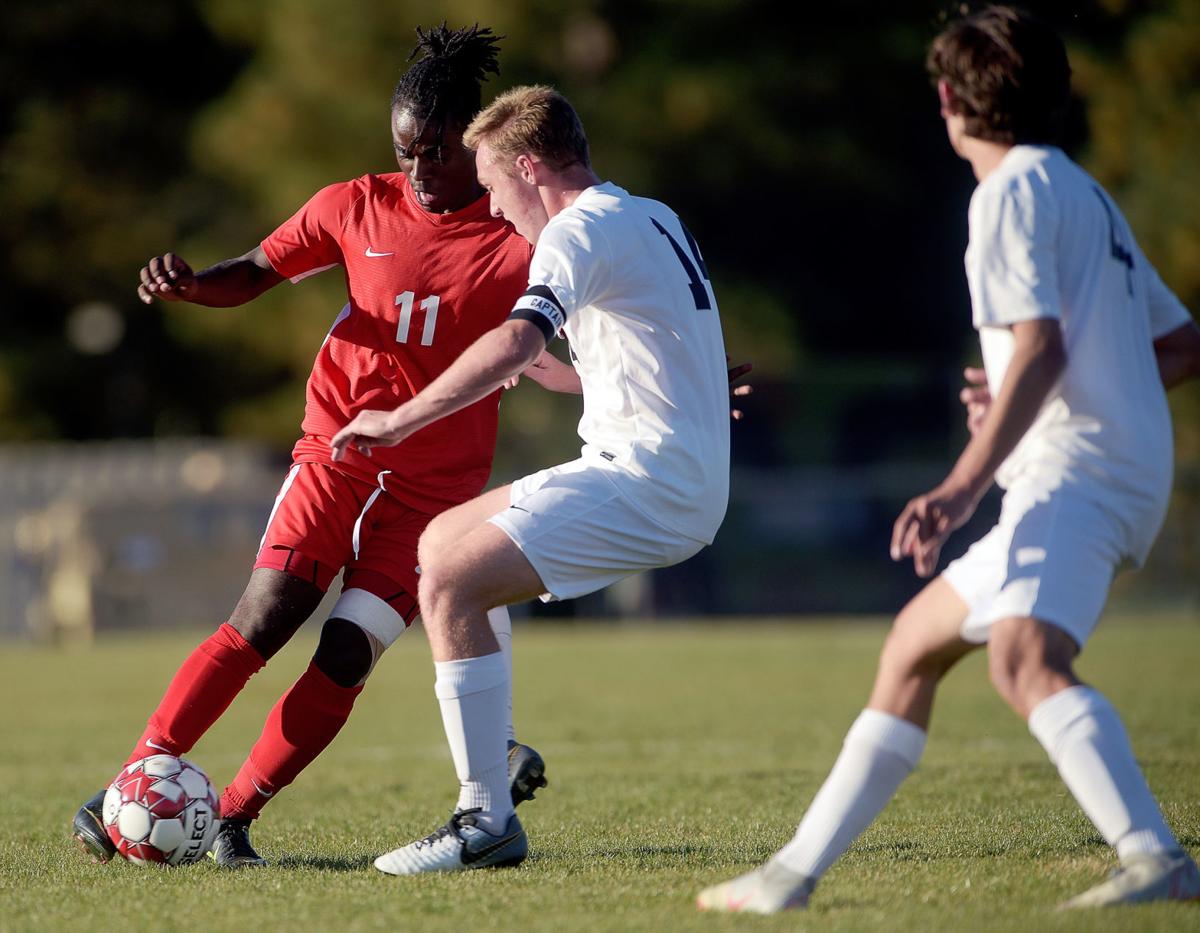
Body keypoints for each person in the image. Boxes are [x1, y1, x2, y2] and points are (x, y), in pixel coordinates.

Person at [697, 5, 1200, 914]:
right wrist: (1036, 394)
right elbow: (1177, 345)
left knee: (1023, 661)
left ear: (948, 99)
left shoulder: (1006, 194)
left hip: (1074, 477)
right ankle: (790, 876)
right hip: (1109, 471)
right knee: (913, 644)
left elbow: (1041, 348)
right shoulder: (1082, 191)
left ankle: (1155, 857)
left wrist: (961, 483)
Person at [71, 24, 564, 869]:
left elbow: (583, 330)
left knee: (345, 653)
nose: (417, 169)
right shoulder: (353, 204)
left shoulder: (520, 235)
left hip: (432, 495)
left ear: (470, 138)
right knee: (265, 619)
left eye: (435, 151)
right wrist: (193, 285)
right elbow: (255, 269)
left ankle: (227, 816)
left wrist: (685, 367)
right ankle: (140, 771)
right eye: (405, 151)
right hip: (333, 459)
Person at [330, 85, 732, 875]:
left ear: (527, 165)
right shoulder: (648, 213)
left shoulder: (574, 230)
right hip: (663, 470)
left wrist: (397, 417)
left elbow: (516, 340)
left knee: (447, 579)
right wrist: (558, 372)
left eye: (492, 186)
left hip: (649, 481)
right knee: (440, 538)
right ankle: (501, 751)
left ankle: (484, 818)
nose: (494, 207)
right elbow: (639, 349)